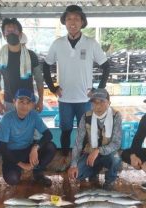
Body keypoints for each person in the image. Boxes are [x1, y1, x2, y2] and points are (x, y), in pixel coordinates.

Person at [43, 5, 110, 158]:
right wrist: (53, 88)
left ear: (82, 22)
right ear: (64, 22)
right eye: (69, 19)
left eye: (76, 19)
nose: (72, 22)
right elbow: (46, 65)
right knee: (65, 130)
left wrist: (98, 90)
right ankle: (66, 157)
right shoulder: (58, 43)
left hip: (85, 99)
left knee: (86, 130)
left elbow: (106, 66)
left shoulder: (91, 43)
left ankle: (82, 159)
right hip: (65, 99)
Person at [0, 88, 56, 187]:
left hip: (28, 149)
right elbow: (2, 147)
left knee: (51, 147)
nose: (24, 105)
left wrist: (35, 148)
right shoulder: (7, 119)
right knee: (12, 179)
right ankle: (19, 168)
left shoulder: (33, 115)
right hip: (12, 154)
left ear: (32, 105)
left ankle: (37, 172)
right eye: (21, 102)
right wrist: (22, 164)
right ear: (14, 102)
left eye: (28, 102)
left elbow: (48, 135)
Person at [68, 88, 122, 190]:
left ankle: (110, 180)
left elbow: (116, 143)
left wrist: (98, 150)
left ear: (109, 103)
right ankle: (95, 169)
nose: (97, 106)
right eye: (94, 102)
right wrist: (73, 164)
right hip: (90, 152)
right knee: (77, 174)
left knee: (115, 159)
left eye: (102, 102)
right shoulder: (85, 117)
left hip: (108, 154)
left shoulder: (116, 116)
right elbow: (78, 143)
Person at [0, 18, 44, 114]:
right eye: (8, 31)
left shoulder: (31, 55)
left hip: (29, 102)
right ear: (4, 35)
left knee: (30, 128)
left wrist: (40, 101)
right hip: (9, 102)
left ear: (20, 34)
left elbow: (39, 79)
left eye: (14, 30)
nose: (11, 33)